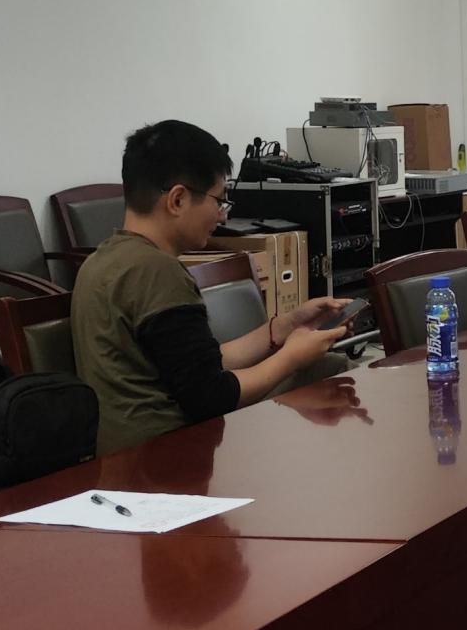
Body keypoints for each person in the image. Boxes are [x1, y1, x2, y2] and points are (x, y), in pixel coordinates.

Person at [72, 120, 350, 455]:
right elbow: (211, 397)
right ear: (177, 199)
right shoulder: (158, 272)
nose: (222, 217)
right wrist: (291, 357)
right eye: (219, 201)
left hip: (120, 456)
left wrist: (283, 327)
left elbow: (196, 364)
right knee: (327, 371)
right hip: (167, 457)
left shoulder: (102, 261)